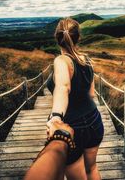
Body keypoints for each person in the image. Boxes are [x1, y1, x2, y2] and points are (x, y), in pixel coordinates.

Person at [47, 18, 104, 180]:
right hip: (94, 120)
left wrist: (56, 116)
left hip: (72, 127)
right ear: (78, 37)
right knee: (92, 168)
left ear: (57, 38)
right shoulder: (87, 59)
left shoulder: (61, 60)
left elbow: (64, 87)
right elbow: (91, 94)